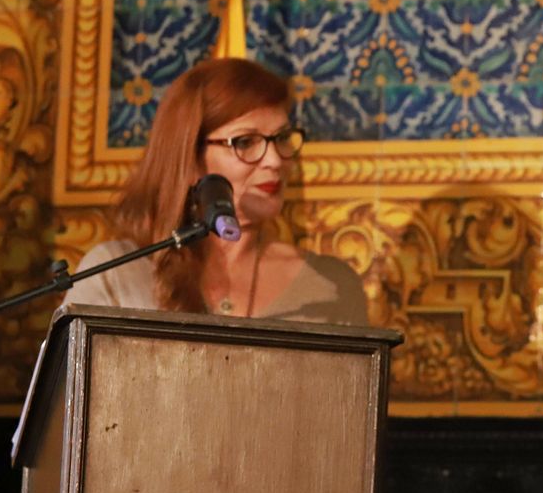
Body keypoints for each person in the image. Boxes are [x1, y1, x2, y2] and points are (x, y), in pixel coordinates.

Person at [66, 58, 369, 325]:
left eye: (282, 138)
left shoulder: (332, 286)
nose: (275, 160)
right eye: (245, 142)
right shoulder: (117, 273)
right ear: (190, 159)